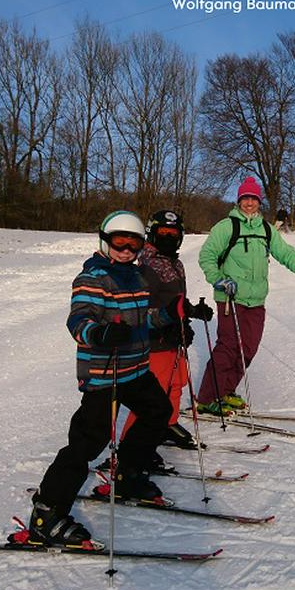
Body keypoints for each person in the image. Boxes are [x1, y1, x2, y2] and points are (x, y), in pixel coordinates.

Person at [22, 211, 178, 548]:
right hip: (104, 373)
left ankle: (128, 476)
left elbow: (142, 320)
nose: (125, 249)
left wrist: (169, 317)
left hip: (135, 369)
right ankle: (46, 513)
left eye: (133, 243)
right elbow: (77, 321)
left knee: (157, 412)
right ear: (104, 241)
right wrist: (100, 332)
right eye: (118, 242)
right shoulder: (93, 278)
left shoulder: (137, 277)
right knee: (87, 442)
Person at [195, 177, 295, 415]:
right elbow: (207, 256)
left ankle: (226, 390)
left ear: (259, 202)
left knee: (248, 349)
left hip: (256, 301)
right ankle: (208, 397)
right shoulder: (226, 227)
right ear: (239, 201)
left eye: (253, 198)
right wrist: (219, 279)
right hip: (230, 299)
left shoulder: (266, 230)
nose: (249, 203)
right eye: (245, 198)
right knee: (228, 347)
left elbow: (285, 254)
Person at [120, 210, 213, 452]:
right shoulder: (146, 266)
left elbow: (173, 301)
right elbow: (139, 310)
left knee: (177, 383)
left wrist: (192, 311)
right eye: (163, 233)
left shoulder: (174, 263)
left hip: (174, 338)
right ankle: (129, 447)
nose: (169, 237)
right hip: (155, 343)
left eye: (173, 233)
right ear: (152, 233)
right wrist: (165, 326)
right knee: (153, 396)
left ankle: (166, 425)